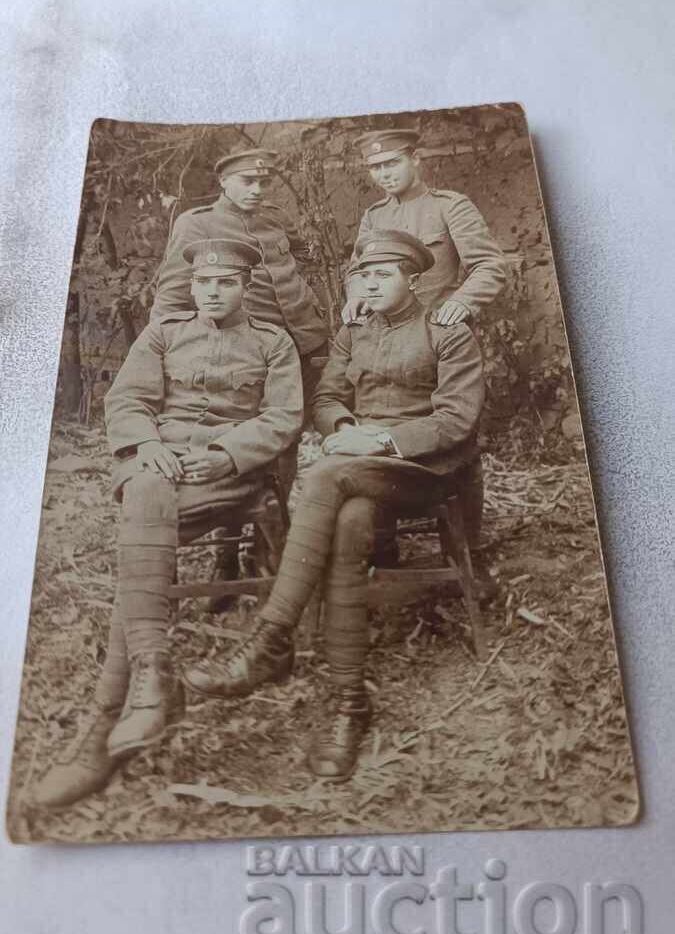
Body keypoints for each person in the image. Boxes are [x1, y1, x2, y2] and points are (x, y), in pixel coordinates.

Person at [183, 229, 485, 780]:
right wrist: (344, 425)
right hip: (356, 470)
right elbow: (326, 397)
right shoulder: (353, 330)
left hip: (425, 472)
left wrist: (378, 440)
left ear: (411, 278)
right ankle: (350, 702)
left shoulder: (448, 330)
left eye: (382, 274)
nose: (370, 283)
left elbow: (458, 421)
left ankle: (273, 635)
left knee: (325, 475)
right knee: (349, 522)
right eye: (363, 275)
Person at [32, 239, 303, 809]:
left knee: (139, 536)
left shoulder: (273, 343)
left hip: (229, 474)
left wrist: (228, 453)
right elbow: (126, 400)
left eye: (225, 283)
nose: (212, 292)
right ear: (192, 286)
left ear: (244, 287)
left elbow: (283, 417)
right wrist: (148, 442)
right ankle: (153, 676)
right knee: (147, 489)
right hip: (162, 464)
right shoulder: (163, 334)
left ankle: (102, 731)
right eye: (204, 283)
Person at [153, 146, 328, 596]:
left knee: (282, 445)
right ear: (223, 183)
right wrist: (163, 353)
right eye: (247, 182)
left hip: (301, 346)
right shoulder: (197, 224)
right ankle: (226, 558)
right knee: (230, 444)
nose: (256, 189)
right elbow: (172, 297)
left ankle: (265, 547)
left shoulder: (273, 220)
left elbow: (296, 266)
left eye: (263, 182)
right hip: (239, 356)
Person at [344, 127, 506, 566]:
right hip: (389, 340)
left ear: (416, 159)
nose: (384, 174)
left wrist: (460, 302)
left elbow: (489, 264)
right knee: (381, 421)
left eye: (392, 163)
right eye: (376, 167)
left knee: (459, 439)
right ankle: (383, 547)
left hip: (440, 334)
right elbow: (357, 270)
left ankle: (466, 556)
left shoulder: (448, 206)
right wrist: (354, 298)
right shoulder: (374, 217)